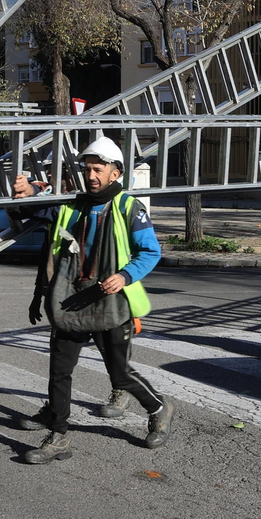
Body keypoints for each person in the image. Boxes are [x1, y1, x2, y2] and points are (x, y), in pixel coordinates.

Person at [21, 135, 167, 464]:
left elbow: (150, 251)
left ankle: (159, 408)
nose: (91, 176)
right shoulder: (73, 206)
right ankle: (58, 436)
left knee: (120, 375)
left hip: (111, 302)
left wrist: (125, 275)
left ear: (116, 173)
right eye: (88, 169)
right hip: (73, 299)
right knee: (60, 371)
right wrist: (27, 192)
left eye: (98, 170)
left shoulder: (129, 208)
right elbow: (32, 210)